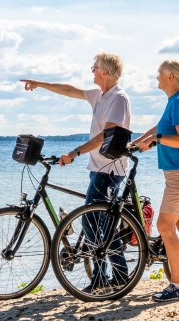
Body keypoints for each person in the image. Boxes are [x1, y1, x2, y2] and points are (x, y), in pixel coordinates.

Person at [20, 52, 132, 291]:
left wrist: (74, 153)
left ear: (104, 71)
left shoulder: (118, 98)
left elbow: (106, 136)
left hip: (111, 169)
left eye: (94, 67)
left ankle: (104, 278)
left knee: (91, 221)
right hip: (97, 167)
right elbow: (70, 91)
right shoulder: (99, 95)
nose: (91, 70)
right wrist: (41, 84)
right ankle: (119, 275)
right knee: (99, 222)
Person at [134, 59, 179, 302]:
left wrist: (157, 139)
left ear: (169, 77)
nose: (156, 77)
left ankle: (177, 285)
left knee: (165, 226)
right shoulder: (175, 101)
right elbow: (162, 128)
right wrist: (141, 140)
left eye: (159, 73)